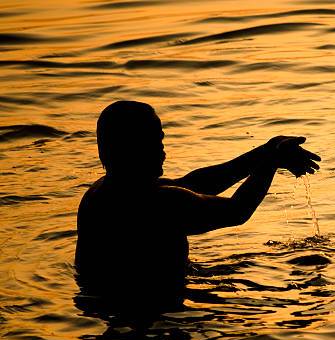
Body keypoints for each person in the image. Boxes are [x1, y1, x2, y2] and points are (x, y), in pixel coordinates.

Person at [75, 100, 320, 309]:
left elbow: (194, 185)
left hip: (105, 305)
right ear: (133, 148)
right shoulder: (159, 201)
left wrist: (266, 151)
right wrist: (271, 162)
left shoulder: (100, 193)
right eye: (155, 140)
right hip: (151, 309)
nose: (162, 149)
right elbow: (237, 211)